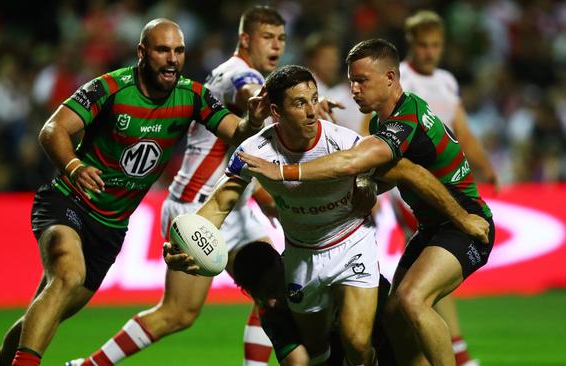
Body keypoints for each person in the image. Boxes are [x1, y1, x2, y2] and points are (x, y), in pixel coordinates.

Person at [0, 18, 267, 366]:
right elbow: (53, 129)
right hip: (69, 201)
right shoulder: (109, 88)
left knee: (52, 305)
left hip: (111, 226)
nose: (172, 59)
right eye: (162, 50)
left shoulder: (191, 95)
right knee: (68, 274)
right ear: (142, 53)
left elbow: (234, 134)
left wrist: (252, 123)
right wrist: (75, 166)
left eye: (178, 51)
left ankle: (1, 361)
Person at [172, 65, 489, 365]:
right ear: (276, 112)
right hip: (303, 254)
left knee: (357, 342)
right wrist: (187, 243)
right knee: (316, 347)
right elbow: (219, 204)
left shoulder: (342, 141)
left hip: (352, 244)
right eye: (299, 103)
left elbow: (408, 171)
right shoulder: (255, 151)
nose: (311, 111)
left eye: (313, 99)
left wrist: (369, 181)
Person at [65, 6, 286, 366]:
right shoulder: (238, 74)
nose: (276, 46)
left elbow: (243, 150)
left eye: (281, 38)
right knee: (177, 314)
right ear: (245, 39)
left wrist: (260, 192)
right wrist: (286, 107)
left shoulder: (245, 76)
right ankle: (87, 365)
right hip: (199, 209)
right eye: (267, 37)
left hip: (233, 206)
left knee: (276, 290)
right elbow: (249, 95)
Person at [389, 10, 498, 366]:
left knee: (413, 293)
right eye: (423, 45)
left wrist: (485, 165)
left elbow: (461, 130)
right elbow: (375, 133)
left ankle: (452, 352)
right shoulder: (397, 81)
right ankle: (459, 353)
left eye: (436, 45)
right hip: (413, 190)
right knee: (421, 285)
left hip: (447, 187)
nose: (430, 52)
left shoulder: (447, 82)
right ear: (411, 45)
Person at [233, 241, 397, 366]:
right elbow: (297, 361)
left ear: (282, 264)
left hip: (383, 335)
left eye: (274, 288)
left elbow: (389, 309)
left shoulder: (320, 266)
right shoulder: (272, 315)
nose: (272, 302)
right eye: (262, 297)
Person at [303, 32, 366, 132]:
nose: (332, 64)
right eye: (326, 59)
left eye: (335, 58)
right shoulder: (304, 88)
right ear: (311, 60)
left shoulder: (335, 90)